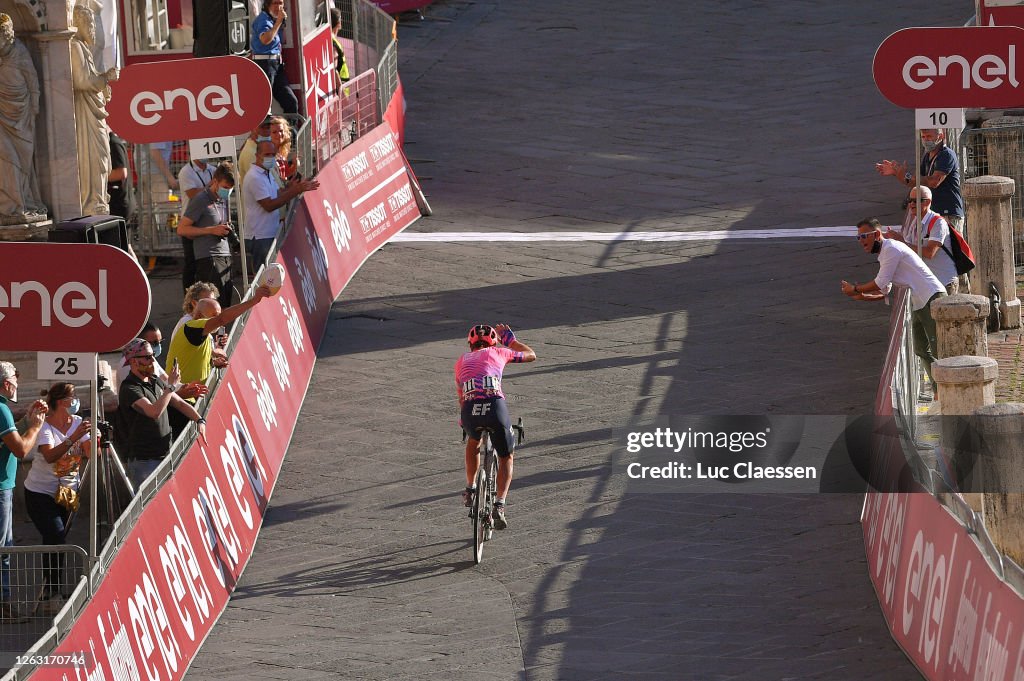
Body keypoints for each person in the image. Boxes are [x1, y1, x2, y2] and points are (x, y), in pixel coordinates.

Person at [842, 219, 947, 395]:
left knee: (939, 349)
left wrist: (855, 288)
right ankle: (939, 390)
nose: (861, 241)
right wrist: (860, 296)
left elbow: (880, 283)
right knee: (921, 349)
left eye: (864, 236)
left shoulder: (891, 249)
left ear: (876, 234)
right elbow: (884, 291)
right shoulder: (884, 254)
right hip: (919, 302)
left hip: (931, 297)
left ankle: (946, 389)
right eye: (858, 238)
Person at [455, 324, 536, 530]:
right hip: (494, 407)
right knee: (506, 455)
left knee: (473, 441)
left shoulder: (461, 361)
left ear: (470, 343)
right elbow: (531, 355)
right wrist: (510, 340)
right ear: (493, 342)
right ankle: (499, 505)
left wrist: (463, 421)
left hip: (470, 408)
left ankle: (470, 488)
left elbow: (461, 395)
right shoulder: (499, 351)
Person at [24, 383, 91, 614]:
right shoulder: (45, 427)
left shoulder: (76, 423)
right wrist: (74, 439)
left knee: (55, 540)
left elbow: (93, 452)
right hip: (40, 492)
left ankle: (51, 592)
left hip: (66, 492)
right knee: (55, 536)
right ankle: (52, 592)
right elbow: (51, 455)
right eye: (73, 397)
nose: (76, 401)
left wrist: (94, 439)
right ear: (63, 401)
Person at [117, 341, 206, 489]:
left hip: (166, 454)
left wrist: (199, 420)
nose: (152, 361)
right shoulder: (130, 388)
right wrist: (170, 386)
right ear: (133, 361)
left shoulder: (155, 381)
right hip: (145, 461)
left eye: (153, 356)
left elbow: (180, 403)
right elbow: (154, 412)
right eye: (147, 357)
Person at [0, 361, 47, 621]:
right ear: (7, 383)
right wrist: (35, 426)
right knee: (3, 549)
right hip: (1, 487)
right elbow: (20, 449)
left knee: (5, 547)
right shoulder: (1, 410)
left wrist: (24, 418)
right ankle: (3, 604)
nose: (18, 384)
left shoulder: (4, 410)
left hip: (3, 487)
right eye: (16, 380)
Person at [167, 286, 274, 386]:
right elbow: (222, 319)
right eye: (214, 316)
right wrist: (253, 300)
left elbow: (194, 358)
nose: (217, 319)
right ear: (196, 307)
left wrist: (213, 361)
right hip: (183, 394)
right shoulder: (190, 325)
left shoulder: (203, 331)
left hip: (194, 393)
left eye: (218, 313)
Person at [70, 5, 118, 215]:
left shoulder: (82, 47)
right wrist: (105, 78)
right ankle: (92, 201)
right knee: (95, 157)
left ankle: (98, 198)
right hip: (86, 114)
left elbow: (90, 81)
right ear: (80, 23)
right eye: (91, 24)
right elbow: (82, 81)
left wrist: (103, 88)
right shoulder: (75, 47)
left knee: (102, 157)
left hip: (93, 111)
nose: (94, 31)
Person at [243, 140, 319, 270]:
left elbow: (277, 194)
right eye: (267, 154)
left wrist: (291, 188)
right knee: (264, 278)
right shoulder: (255, 177)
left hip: (270, 233)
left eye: (273, 154)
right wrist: (296, 190)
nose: (271, 157)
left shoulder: (267, 172)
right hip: (260, 236)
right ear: (257, 155)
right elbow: (269, 205)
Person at [875, 128, 965, 238]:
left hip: (948, 212)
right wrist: (897, 173)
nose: (926, 140)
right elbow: (915, 182)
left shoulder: (946, 155)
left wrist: (906, 175)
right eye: (923, 137)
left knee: (951, 249)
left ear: (941, 137)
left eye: (929, 137)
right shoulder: (927, 157)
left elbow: (933, 181)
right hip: (934, 212)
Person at [0, 13, 46, 223]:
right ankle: (10, 207)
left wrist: (34, 107)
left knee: (24, 162)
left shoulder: (19, 52)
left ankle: (25, 202)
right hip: (1, 115)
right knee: (7, 160)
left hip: (23, 116)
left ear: (7, 36)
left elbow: (33, 82)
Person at [176, 161, 236, 309]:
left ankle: (222, 332)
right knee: (213, 306)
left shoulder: (223, 199)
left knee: (225, 302)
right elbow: (182, 229)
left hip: (224, 254)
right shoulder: (200, 199)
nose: (227, 191)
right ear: (215, 182)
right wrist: (210, 230)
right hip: (207, 258)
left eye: (231, 189)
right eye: (225, 187)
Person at [883, 186, 959, 295]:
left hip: (944, 282)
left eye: (916, 201)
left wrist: (902, 242)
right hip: (929, 284)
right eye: (909, 201)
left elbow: (929, 253)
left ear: (927, 202)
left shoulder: (938, 223)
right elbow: (908, 246)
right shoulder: (915, 220)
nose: (911, 204)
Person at [251, 0, 298, 114]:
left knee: (291, 101)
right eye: (275, 3)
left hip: (276, 65)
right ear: (267, 5)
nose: (279, 6)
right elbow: (265, 39)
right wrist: (278, 22)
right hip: (265, 64)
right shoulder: (263, 20)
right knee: (265, 106)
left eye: (281, 3)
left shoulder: (273, 19)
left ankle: (290, 131)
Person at [177, 156, 215, 292]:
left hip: (208, 222)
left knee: (205, 263)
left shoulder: (213, 170)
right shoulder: (186, 171)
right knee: (191, 264)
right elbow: (193, 194)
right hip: (190, 224)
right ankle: (188, 300)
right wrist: (212, 185)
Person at [107, 131, 135, 225]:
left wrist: (96, 179)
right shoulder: (112, 142)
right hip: (118, 203)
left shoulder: (113, 143)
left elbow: (121, 173)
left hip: (119, 204)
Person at [329, 8, 350, 84]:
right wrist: (342, 93)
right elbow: (334, 70)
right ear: (339, 23)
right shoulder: (333, 42)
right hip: (341, 89)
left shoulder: (331, 38)